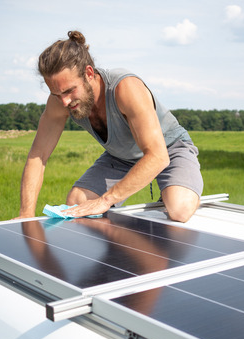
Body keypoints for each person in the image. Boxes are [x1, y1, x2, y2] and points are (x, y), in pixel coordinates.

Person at [16, 30, 203, 222]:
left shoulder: (126, 88)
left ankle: (180, 189)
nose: (64, 102)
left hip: (169, 150)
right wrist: (26, 214)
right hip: (122, 157)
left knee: (179, 209)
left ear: (89, 73)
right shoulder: (60, 101)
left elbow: (157, 156)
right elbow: (38, 155)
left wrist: (106, 199)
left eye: (69, 90)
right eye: (56, 93)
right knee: (77, 202)